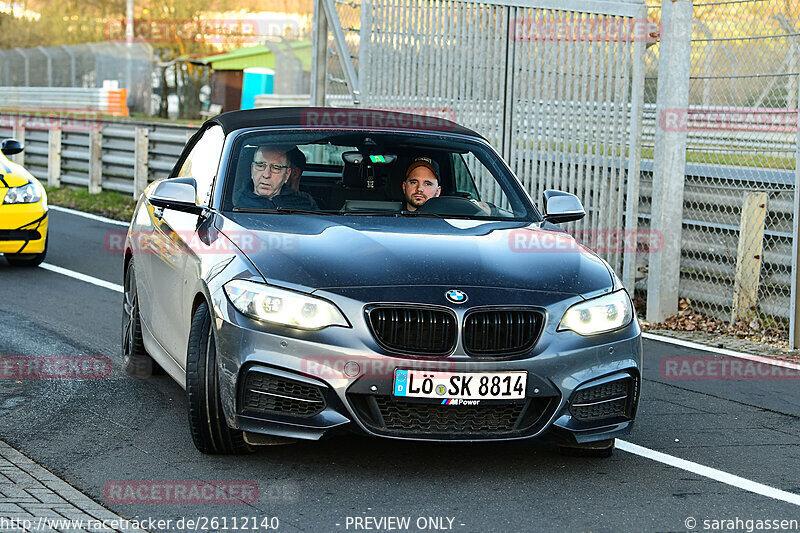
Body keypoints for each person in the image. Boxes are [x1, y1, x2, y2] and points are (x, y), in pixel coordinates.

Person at [237, 146, 318, 210]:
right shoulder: (235, 202)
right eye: (260, 166)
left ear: (287, 175)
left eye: (276, 168)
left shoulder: (304, 203)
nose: (266, 175)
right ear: (252, 169)